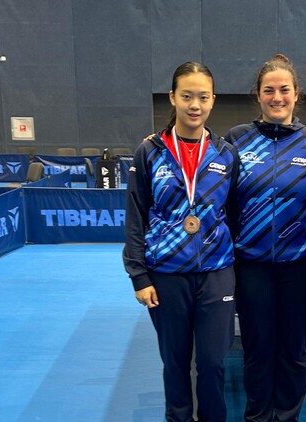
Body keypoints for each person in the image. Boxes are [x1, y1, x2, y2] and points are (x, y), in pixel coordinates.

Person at [123, 62, 239, 422]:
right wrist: (139, 276)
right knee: (174, 363)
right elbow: (136, 215)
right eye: (187, 96)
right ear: (172, 97)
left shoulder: (225, 153)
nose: (195, 105)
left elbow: (234, 214)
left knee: (213, 362)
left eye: (203, 97)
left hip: (216, 273)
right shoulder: (150, 151)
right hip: (166, 275)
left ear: (213, 100)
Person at [224, 54, 306, 422]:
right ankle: (257, 416)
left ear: (296, 94)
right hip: (250, 265)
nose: (277, 97)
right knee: (256, 351)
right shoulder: (236, 140)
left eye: (284, 89)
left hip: (300, 266)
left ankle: (287, 417)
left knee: (293, 352)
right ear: (258, 95)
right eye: (269, 90)